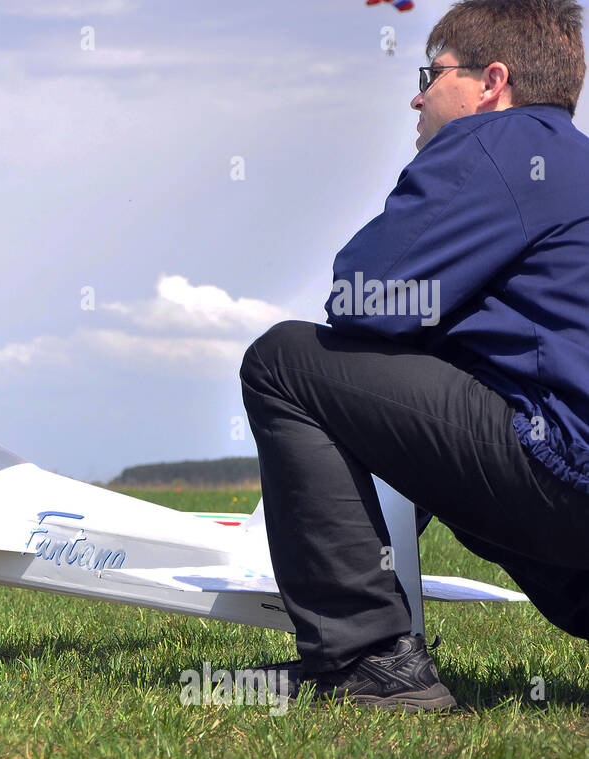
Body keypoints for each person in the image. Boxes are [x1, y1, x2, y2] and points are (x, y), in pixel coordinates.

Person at [240, 0, 589, 711]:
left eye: (432, 72)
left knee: (283, 360)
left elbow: (362, 295)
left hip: (565, 472)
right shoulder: (572, 165)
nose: (417, 94)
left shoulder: (494, 143)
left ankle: (368, 659)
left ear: (492, 82)